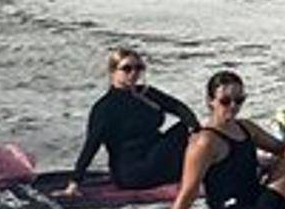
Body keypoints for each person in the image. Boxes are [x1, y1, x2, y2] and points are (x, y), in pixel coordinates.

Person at [159, 71, 285, 209]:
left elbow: (279, 148)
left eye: (239, 100)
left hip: (256, 202)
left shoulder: (246, 127)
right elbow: (188, 192)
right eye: (225, 101)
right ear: (210, 101)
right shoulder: (204, 142)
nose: (233, 106)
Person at [64, 47, 199, 194]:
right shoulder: (104, 108)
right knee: (186, 135)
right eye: (127, 69)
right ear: (113, 72)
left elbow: (179, 107)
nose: (133, 73)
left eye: (138, 68)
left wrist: (196, 129)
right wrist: (75, 182)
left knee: (188, 128)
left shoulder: (146, 93)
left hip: (154, 157)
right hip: (131, 172)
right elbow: (91, 145)